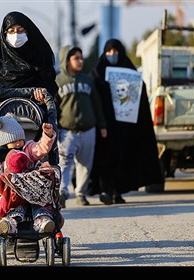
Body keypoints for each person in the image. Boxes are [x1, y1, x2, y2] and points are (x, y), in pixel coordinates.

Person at [0, 11, 59, 164]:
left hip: (34, 120)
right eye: (11, 31)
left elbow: (49, 83)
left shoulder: (38, 57)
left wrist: (41, 93)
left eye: (20, 31)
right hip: (0, 119)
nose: (16, 35)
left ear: (28, 32)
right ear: (4, 34)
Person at [89, 38, 164, 204]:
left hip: (124, 127)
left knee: (123, 159)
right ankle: (106, 190)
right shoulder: (98, 73)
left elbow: (139, 92)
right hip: (105, 127)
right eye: (109, 51)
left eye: (115, 51)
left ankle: (118, 191)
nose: (112, 54)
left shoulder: (129, 72)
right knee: (106, 158)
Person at [0, 114, 60, 234]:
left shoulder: (27, 149)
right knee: (13, 207)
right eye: (14, 141)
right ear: (5, 142)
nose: (18, 144)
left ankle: (43, 220)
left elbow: (40, 148)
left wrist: (47, 135)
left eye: (20, 139)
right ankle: (9, 224)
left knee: (39, 204)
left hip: (31, 190)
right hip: (10, 194)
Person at [55, 46, 107, 208]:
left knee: (85, 165)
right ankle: (62, 192)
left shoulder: (87, 80)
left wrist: (102, 125)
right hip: (66, 132)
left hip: (88, 130)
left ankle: (80, 193)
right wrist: (53, 128)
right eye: (76, 58)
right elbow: (54, 107)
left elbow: (97, 104)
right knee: (64, 164)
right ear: (66, 60)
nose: (80, 61)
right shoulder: (58, 81)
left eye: (81, 57)